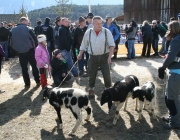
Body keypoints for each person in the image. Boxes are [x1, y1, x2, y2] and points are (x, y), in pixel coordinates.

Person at [77, 16, 115, 98]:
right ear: (93, 24)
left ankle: (108, 90)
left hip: (105, 57)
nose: (100, 25)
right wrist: (80, 54)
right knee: (91, 75)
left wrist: (109, 57)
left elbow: (112, 45)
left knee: (107, 75)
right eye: (98, 24)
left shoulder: (106, 32)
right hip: (92, 57)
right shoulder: (88, 32)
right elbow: (83, 45)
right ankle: (91, 90)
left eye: (101, 23)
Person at [158, 21, 180, 129]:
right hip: (177, 72)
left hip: (176, 73)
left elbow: (170, 56)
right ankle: (173, 117)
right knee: (170, 97)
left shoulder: (176, 40)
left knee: (172, 98)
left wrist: (163, 67)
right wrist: (168, 40)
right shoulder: (176, 39)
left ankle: (175, 122)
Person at [10, 17, 40, 88]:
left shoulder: (12, 30)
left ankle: (27, 84)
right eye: (27, 21)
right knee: (34, 66)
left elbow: (10, 42)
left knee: (24, 68)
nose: (28, 22)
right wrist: (35, 48)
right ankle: (37, 81)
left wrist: (17, 49)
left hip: (20, 52)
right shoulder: (28, 29)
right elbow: (34, 39)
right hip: (30, 50)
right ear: (24, 21)